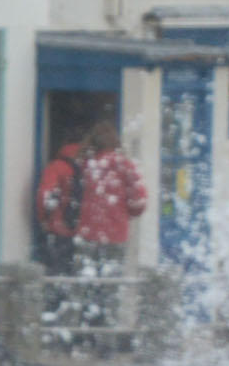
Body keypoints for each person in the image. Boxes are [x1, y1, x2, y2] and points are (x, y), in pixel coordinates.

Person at [70, 119, 148, 294]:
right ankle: (105, 320)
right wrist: (126, 213)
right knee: (110, 288)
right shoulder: (124, 165)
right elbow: (139, 200)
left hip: (87, 233)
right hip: (115, 234)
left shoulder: (86, 165)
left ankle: (82, 319)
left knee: (83, 286)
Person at [34, 134, 89, 276]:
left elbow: (45, 197)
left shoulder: (57, 167)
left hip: (58, 230)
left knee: (55, 275)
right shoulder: (89, 168)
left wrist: (43, 220)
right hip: (84, 235)